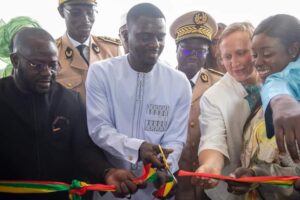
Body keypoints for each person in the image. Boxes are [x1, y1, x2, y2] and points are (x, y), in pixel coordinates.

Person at [0, 27, 139, 200]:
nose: (47, 73)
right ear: (15, 60)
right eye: (36, 65)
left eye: (52, 65)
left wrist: (107, 172)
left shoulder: (69, 100)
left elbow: (84, 149)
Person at [86, 3, 192, 200]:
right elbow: (99, 128)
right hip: (113, 187)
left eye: (160, 37)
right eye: (145, 36)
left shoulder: (178, 82)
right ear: (126, 36)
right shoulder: (101, 73)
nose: (154, 44)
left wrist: (166, 166)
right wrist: (137, 148)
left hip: (154, 191)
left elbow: (176, 139)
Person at [193, 22, 260, 200]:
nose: (234, 63)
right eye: (227, 56)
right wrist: (210, 168)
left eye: (241, 53)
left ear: (256, 49)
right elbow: (212, 140)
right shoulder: (213, 97)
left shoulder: (278, 80)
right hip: (231, 193)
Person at [169, 10, 223, 200]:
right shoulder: (161, 82)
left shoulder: (220, 84)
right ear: (175, 48)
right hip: (171, 184)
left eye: (200, 51)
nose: (193, 55)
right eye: (186, 49)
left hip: (209, 187)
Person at [56, 0, 122, 100]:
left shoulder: (113, 50)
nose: (85, 19)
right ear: (61, 12)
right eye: (76, 13)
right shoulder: (51, 54)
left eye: (90, 12)